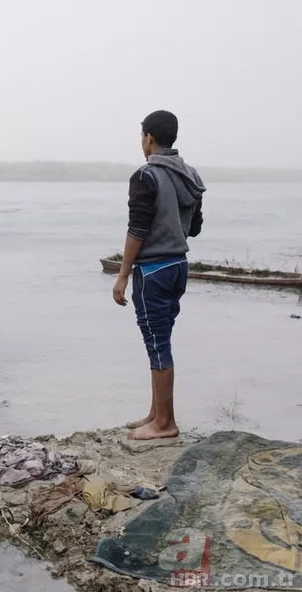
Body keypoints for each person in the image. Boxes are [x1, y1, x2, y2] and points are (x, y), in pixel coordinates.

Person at [111, 110, 205, 441]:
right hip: (178, 266)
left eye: (142, 137)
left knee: (156, 343)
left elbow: (137, 228)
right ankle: (156, 412)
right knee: (159, 339)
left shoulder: (146, 176)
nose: (142, 142)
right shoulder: (189, 174)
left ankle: (165, 424)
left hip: (153, 270)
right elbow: (194, 227)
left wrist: (123, 275)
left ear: (149, 138)